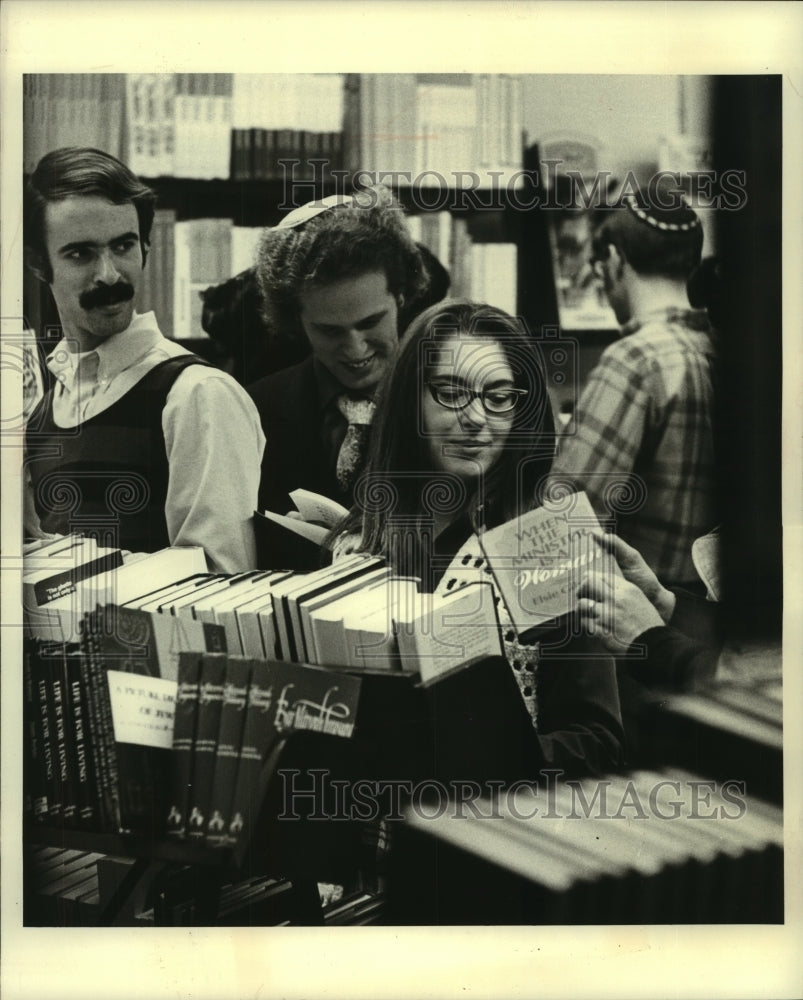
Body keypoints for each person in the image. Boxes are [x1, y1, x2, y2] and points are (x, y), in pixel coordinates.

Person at [333, 300, 625, 778]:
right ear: (411, 399)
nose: (475, 417)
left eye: (499, 396)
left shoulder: (548, 542)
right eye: (450, 393)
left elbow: (597, 739)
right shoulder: (360, 536)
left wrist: (492, 759)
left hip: (495, 828)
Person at [23, 147, 265, 572]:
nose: (110, 274)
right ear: (38, 264)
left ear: (146, 247)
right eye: (81, 254)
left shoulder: (197, 394)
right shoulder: (46, 404)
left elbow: (218, 586)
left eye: (123, 246)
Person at [550, 190, 717, 589]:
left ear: (613, 261)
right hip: (708, 623)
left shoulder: (634, 359)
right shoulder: (723, 351)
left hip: (639, 620)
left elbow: (569, 514)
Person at [246, 188, 432, 516]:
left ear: (401, 297)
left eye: (371, 322)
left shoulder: (451, 396)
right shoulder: (256, 409)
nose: (355, 348)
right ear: (295, 321)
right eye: (329, 331)